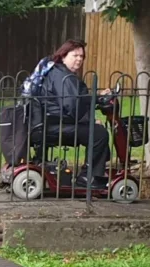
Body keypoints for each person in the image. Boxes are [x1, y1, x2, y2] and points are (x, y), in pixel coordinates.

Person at [35, 39, 112, 188]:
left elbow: (74, 101)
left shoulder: (57, 72)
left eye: (81, 56)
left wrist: (95, 97)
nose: (79, 59)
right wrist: (90, 118)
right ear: (63, 56)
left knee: (96, 130)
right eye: (74, 55)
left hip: (49, 123)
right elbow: (73, 105)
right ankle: (88, 177)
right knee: (99, 134)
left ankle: (94, 171)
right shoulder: (64, 76)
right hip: (54, 126)